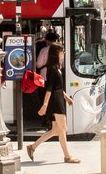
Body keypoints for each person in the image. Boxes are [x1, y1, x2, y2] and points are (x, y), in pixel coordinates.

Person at [27, 32, 80, 164]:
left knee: (57, 129)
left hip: (58, 98)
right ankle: (67, 156)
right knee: (62, 129)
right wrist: (45, 105)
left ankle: (33, 147)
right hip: (55, 101)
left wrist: (66, 97)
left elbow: (58, 87)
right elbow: (49, 88)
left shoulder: (56, 68)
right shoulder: (53, 69)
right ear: (57, 54)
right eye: (62, 52)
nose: (64, 54)